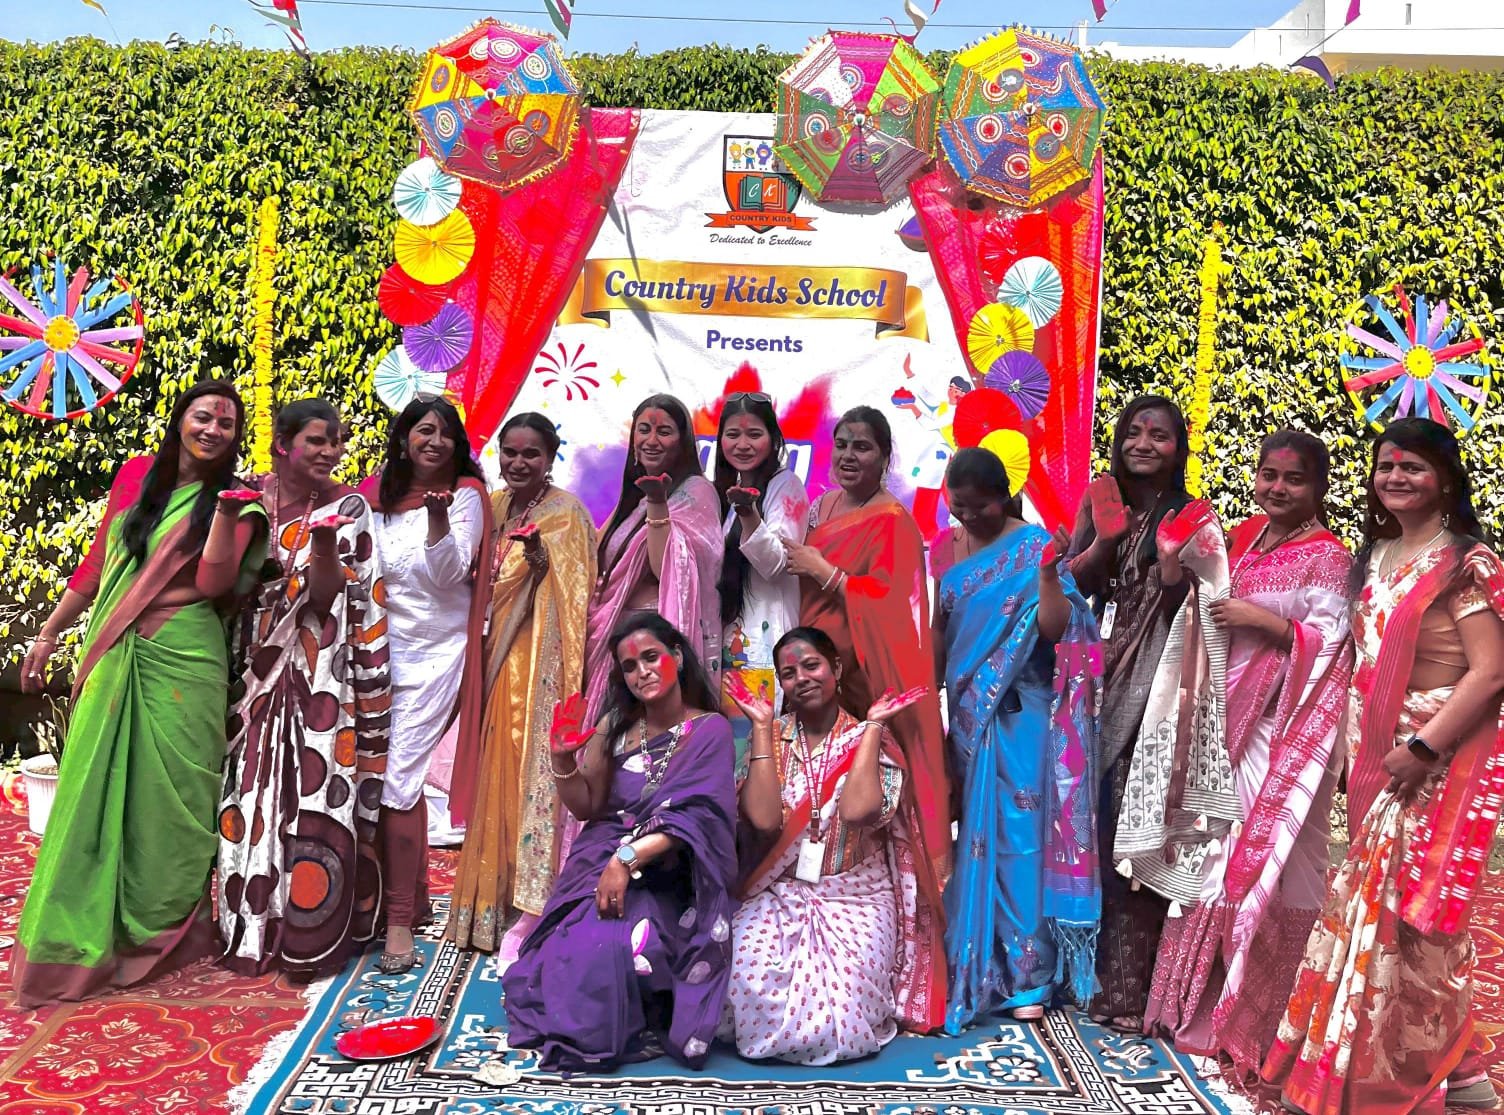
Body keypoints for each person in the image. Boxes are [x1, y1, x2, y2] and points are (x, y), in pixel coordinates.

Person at [1263, 418, 1504, 1114]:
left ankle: (1403, 1072)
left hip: (1434, 762)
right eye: (1386, 466)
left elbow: (1491, 672)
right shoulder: (1375, 555)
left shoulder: (1465, 564)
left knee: (1420, 922)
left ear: (1446, 479)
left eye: (1413, 466)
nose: (1396, 477)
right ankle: (1462, 1070)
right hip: (1377, 756)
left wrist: (1424, 748)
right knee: (1385, 917)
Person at [13, 382, 267, 1006]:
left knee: (176, 799)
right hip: (117, 649)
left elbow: (215, 584)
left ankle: (166, 930)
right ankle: (80, 938)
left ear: (236, 437)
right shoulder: (136, 479)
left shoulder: (237, 502)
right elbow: (97, 568)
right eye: (203, 416)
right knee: (94, 792)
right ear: (180, 420)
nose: (212, 430)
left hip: (188, 659)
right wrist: (48, 634)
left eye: (226, 424)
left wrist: (227, 511)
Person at [1145, 431, 1352, 1074]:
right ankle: (1195, 1003)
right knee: (1210, 860)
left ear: (1319, 488)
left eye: (1294, 478)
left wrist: (1271, 626)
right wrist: (1173, 563)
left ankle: (1260, 1015)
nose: (1277, 488)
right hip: (1221, 724)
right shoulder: (1241, 538)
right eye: (1268, 474)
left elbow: (1334, 645)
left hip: (1281, 735)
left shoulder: (1330, 558)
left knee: (1268, 867)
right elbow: (1197, 606)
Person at [502, 612, 737, 1073]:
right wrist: (561, 760)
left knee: (627, 945)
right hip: (601, 861)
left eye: (651, 657)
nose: (642, 672)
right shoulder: (616, 727)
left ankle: (636, 1015)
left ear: (677, 657)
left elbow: (699, 819)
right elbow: (588, 806)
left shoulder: (710, 730)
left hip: (670, 874)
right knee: (572, 947)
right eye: (630, 666)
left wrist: (626, 859)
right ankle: (606, 1017)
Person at [778, 407, 952, 1000]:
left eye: (863, 447)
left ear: (884, 457)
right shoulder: (822, 507)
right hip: (813, 672)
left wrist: (827, 574)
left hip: (864, 682)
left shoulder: (893, 520)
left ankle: (889, 954)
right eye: (842, 444)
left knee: (868, 815)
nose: (849, 456)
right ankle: (803, 933)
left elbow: (895, 608)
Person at [217, 399, 392, 978]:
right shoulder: (247, 498)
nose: (330, 451)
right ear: (282, 445)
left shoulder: (349, 508)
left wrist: (321, 544)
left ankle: (306, 930)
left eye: (335, 441)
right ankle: (250, 922)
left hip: (318, 676)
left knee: (312, 789)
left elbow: (328, 597)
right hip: (252, 671)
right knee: (247, 792)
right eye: (317, 440)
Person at [933, 448, 1101, 1032]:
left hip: (1023, 716)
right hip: (969, 720)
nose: (967, 518)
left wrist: (1050, 574)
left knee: (1022, 842)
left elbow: (1061, 630)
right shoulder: (947, 549)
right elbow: (942, 633)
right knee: (975, 842)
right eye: (957, 507)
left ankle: (1029, 975)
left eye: (978, 507)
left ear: (1004, 497)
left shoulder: (1032, 547)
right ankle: (979, 964)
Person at [722, 627, 937, 1064]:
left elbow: (857, 811)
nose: (801, 678)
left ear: (835, 668)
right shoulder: (772, 737)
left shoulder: (870, 737)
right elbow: (763, 820)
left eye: (811, 665)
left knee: (846, 1003)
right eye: (788, 673)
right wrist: (760, 728)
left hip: (857, 894)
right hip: (781, 889)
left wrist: (872, 728)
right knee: (744, 972)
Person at [446, 412, 596, 957]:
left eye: (531, 453)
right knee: (493, 769)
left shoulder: (567, 514)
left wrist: (539, 561)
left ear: (551, 457)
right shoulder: (493, 506)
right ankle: (491, 897)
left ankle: (529, 900)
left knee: (518, 765)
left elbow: (576, 595)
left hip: (534, 664)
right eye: (509, 452)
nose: (518, 462)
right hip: (490, 654)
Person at [1067, 395, 1190, 1031]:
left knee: (1133, 834)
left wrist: (1169, 570)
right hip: (1096, 677)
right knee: (1086, 829)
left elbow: (1195, 605)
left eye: (1159, 435)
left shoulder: (1189, 515)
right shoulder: (1100, 501)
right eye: (1134, 432)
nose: (1143, 444)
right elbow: (1072, 585)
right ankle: (1082, 976)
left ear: (1178, 448)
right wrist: (1106, 542)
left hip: (1155, 688)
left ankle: (1129, 990)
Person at [358, 395, 493, 973]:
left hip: (438, 656)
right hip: (375, 654)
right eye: (423, 431)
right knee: (370, 776)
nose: (434, 442)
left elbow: (448, 575)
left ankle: (397, 922)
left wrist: (438, 519)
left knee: (398, 780)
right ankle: (392, 905)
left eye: (444, 433)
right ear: (404, 439)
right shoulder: (376, 497)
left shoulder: (466, 496)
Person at [586, 394, 722, 723]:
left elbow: (670, 571)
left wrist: (658, 504)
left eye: (664, 432)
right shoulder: (633, 501)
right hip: (615, 637)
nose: (651, 440)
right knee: (609, 740)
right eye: (644, 429)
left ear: (683, 442)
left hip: (653, 643)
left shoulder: (696, 491)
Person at [713, 393, 808, 741]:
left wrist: (748, 513)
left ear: (772, 438)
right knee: (731, 749)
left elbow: (776, 564)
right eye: (733, 434)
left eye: (754, 434)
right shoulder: (724, 491)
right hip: (727, 645)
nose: (742, 444)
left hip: (764, 645)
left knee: (758, 747)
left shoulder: (786, 485)